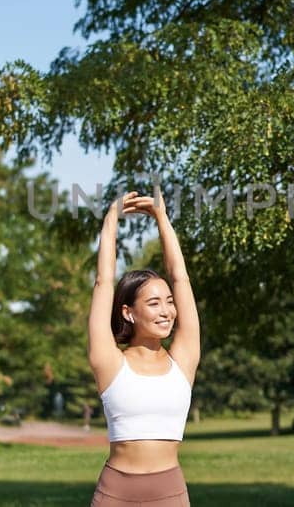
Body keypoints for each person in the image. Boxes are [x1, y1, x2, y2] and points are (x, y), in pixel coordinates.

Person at [89, 186, 200, 507]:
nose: (166, 311)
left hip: (170, 493)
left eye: (168, 302)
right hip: (115, 495)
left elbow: (181, 279)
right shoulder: (109, 362)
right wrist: (111, 219)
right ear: (128, 312)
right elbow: (103, 282)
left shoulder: (183, 359)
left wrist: (162, 218)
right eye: (153, 303)